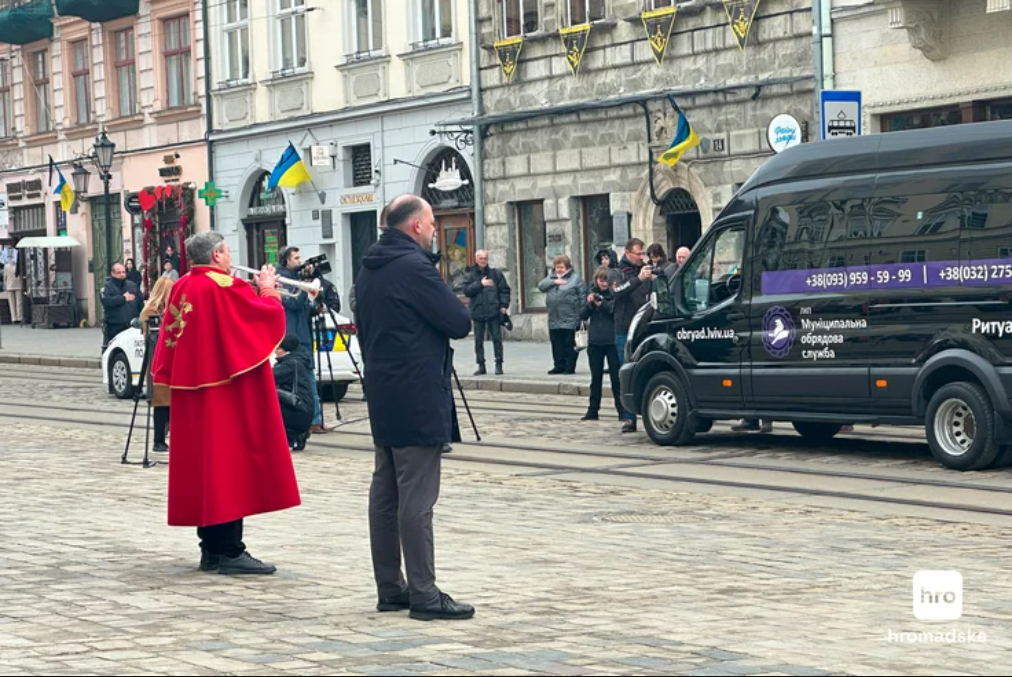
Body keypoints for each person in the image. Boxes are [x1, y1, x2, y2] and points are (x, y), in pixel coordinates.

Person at [151, 231, 300, 575]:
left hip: (192, 393)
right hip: (224, 393)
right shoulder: (223, 285)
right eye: (228, 252)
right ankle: (231, 550)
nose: (231, 258)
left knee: (205, 470)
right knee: (230, 469)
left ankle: (211, 549)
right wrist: (268, 289)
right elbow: (262, 320)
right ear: (216, 255)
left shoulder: (183, 285)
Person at [356, 194, 474, 621]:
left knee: (386, 491)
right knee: (417, 496)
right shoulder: (414, 266)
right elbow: (458, 322)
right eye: (431, 223)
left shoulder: (369, 267)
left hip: (383, 389)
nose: (434, 230)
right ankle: (424, 593)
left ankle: (390, 587)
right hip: (418, 391)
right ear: (415, 226)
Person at [278, 246, 333, 434]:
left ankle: (315, 419)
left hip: (303, 334)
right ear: (286, 261)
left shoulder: (296, 280)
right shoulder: (281, 280)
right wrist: (304, 285)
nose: (299, 261)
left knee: (309, 377)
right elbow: (292, 303)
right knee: (304, 379)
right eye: (295, 258)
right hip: (292, 338)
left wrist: (315, 306)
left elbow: (303, 308)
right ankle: (311, 420)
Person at [613, 238, 654, 433]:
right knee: (627, 372)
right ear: (627, 252)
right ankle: (629, 418)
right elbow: (617, 291)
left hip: (645, 326)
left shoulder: (646, 270)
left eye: (642, 253)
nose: (641, 257)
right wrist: (639, 279)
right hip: (625, 329)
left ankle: (649, 413)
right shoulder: (617, 272)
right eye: (638, 254)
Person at [580, 266, 626, 422]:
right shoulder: (591, 293)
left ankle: (622, 410)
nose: (603, 283)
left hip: (612, 341)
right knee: (595, 378)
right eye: (600, 280)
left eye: (606, 280)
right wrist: (590, 303)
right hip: (595, 341)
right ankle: (593, 410)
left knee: (616, 379)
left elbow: (614, 311)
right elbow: (582, 315)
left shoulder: (615, 294)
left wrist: (601, 303)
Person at [463, 249, 511, 376]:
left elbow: (504, 290)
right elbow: (466, 291)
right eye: (481, 258)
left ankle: (499, 364)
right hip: (478, 311)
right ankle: (481, 365)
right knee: (478, 341)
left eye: (485, 258)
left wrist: (503, 306)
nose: (483, 261)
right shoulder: (470, 275)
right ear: (476, 259)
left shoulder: (495, 274)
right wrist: (480, 284)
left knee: (497, 339)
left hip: (493, 311)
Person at [141, 277, 174, 453]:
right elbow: (152, 336)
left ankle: (168, 436)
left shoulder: (172, 310)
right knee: (161, 401)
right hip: (156, 361)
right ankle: (158, 440)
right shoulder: (150, 312)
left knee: (170, 402)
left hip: (170, 360)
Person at [538, 254, 586, 375]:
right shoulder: (551, 277)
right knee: (556, 344)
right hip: (554, 318)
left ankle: (569, 367)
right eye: (557, 267)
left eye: (561, 267)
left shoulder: (575, 279)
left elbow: (582, 298)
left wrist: (582, 316)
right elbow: (541, 286)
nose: (559, 269)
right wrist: (554, 282)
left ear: (567, 267)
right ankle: (558, 366)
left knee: (569, 345)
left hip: (570, 317)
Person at [273, 335, 315, 452]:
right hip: (302, 410)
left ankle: (292, 435)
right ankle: (295, 435)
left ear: (286, 350)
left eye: (278, 348)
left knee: (268, 402)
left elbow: (268, 377)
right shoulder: (296, 361)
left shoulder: (289, 364)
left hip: (297, 411)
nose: (275, 351)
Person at [100, 263, 142, 350]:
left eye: (123, 272)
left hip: (131, 327)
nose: (122, 274)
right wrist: (123, 298)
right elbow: (106, 301)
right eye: (119, 272)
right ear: (113, 273)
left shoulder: (132, 285)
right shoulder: (107, 286)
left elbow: (140, 302)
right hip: (114, 327)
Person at [3, 256, 22, 324]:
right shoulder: (6, 266)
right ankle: (14, 318)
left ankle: (19, 318)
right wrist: (5, 286)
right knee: (12, 303)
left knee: (19, 303)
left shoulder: (18, 266)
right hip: (10, 286)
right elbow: (5, 277)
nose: (12, 259)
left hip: (18, 285)